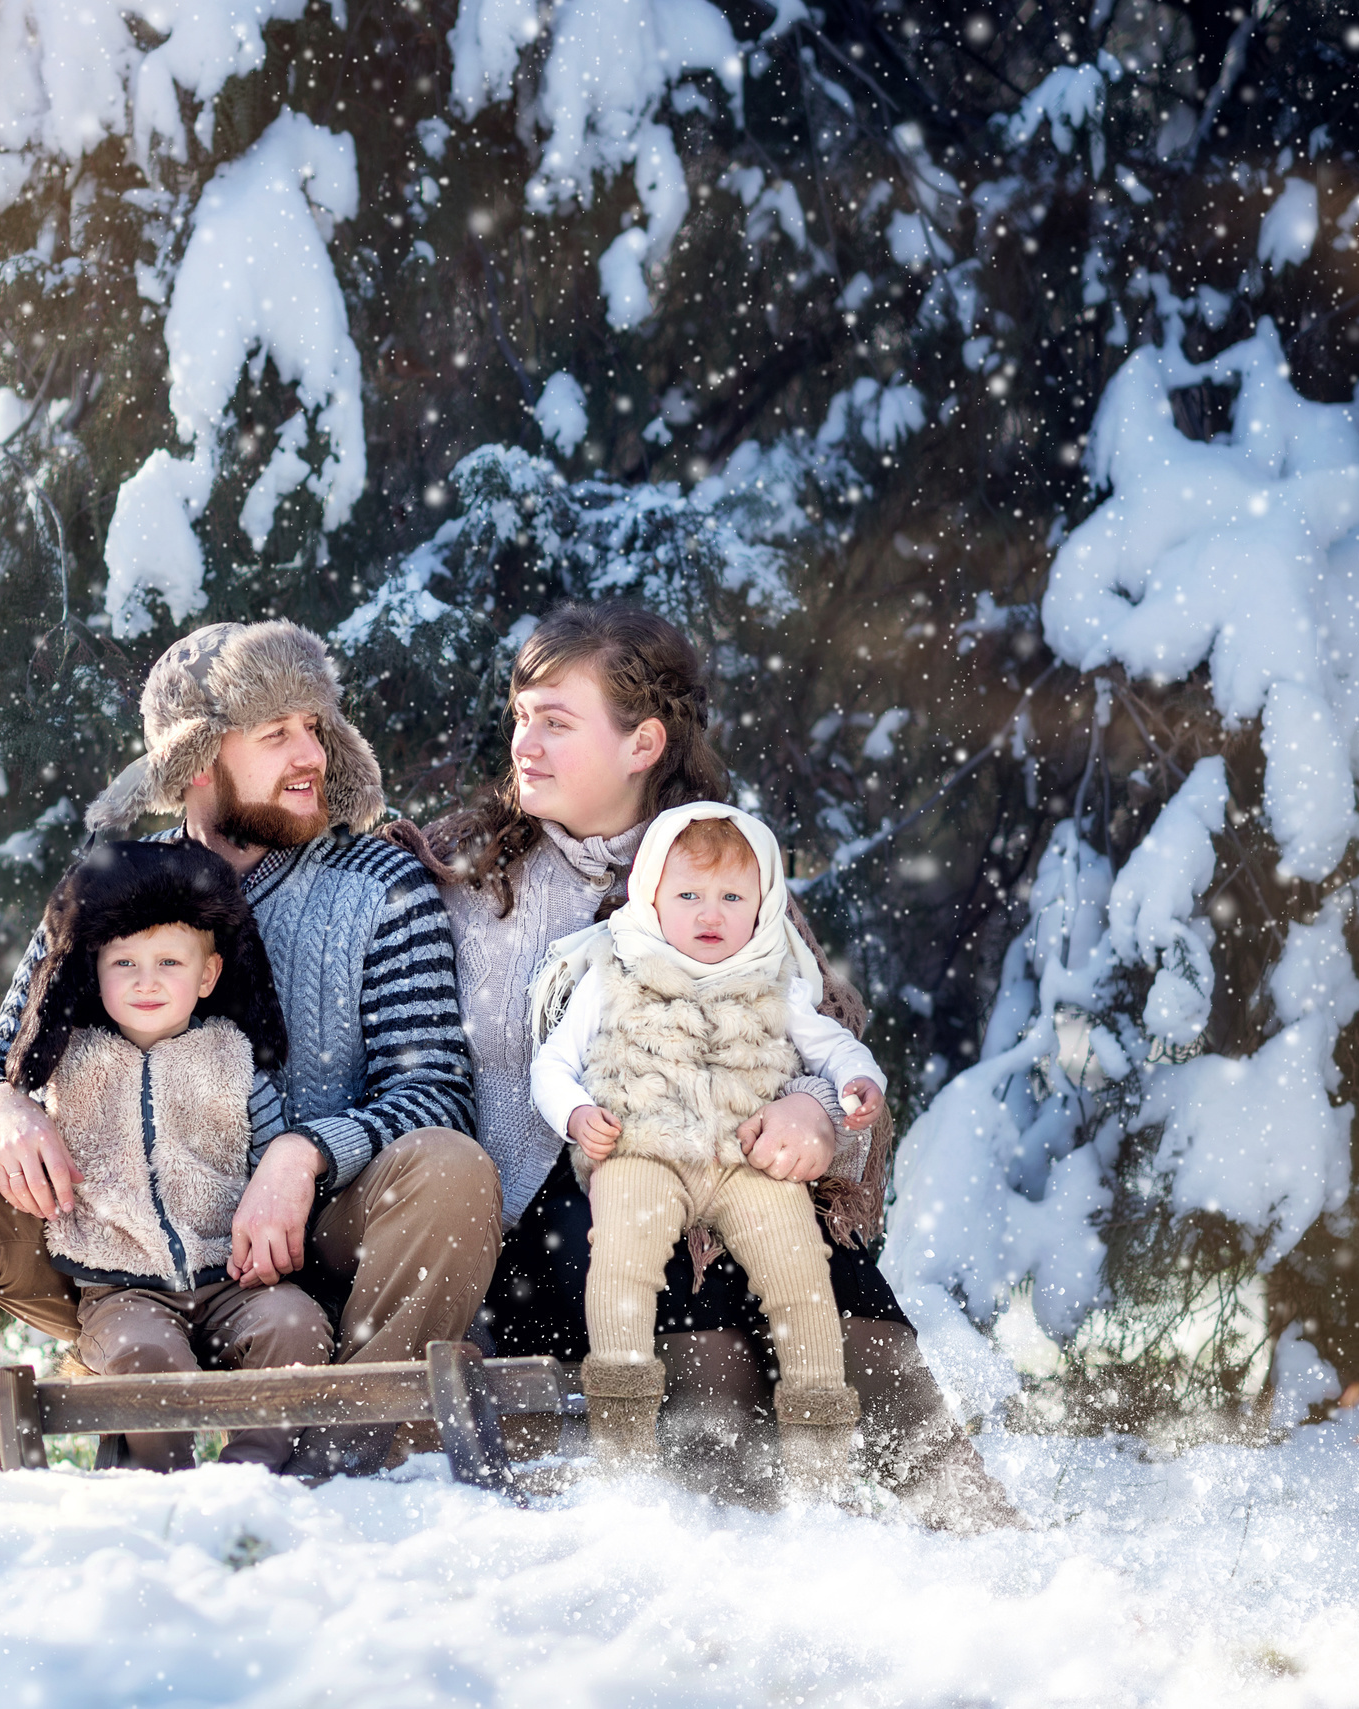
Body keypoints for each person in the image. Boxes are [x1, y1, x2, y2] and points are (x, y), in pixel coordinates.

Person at [411, 601, 1022, 1528]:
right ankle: (738, 1522)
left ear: (643, 741)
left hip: (698, 1200)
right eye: (520, 715)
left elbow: (818, 1037)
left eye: (556, 721)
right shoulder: (463, 873)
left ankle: (960, 1515)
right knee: (671, 1218)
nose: (523, 743)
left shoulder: (724, 873)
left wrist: (816, 1116)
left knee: (774, 1222)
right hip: (531, 1246)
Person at [0, 619, 498, 1476]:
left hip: (311, 1245)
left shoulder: (380, 885)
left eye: (315, 727)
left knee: (453, 1168)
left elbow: (434, 1089)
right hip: (120, 1247)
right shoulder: (112, 888)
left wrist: (302, 1152)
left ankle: (349, 1465)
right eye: (275, 732)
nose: (308, 753)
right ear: (198, 758)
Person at [0, 840, 331, 1471]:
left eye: (169, 961)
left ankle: (253, 1475)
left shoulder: (234, 1059)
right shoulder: (65, 1063)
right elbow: (12, 1114)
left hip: (233, 1278)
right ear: (96, 970)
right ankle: (156, 1480)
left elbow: (272, 1148)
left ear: (208, 975)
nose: (146, 982)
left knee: (296, 1326)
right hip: (119, 1287)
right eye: (125, 963)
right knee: (146, 1359)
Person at [528, 803, 888, 1494]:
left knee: (800, 1274)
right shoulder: (616, 967)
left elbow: (832, 1044)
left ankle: (820, 1456)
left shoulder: (775, 978)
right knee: (623, 1262)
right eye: (688, 895)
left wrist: (857, 1080)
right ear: (652, 895)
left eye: (731, 897)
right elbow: (553, 1064)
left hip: (744, 1160)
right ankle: (624, 1437)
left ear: (763, 906)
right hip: (643, 1150)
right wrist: (576, 1115)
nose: (709, 913)